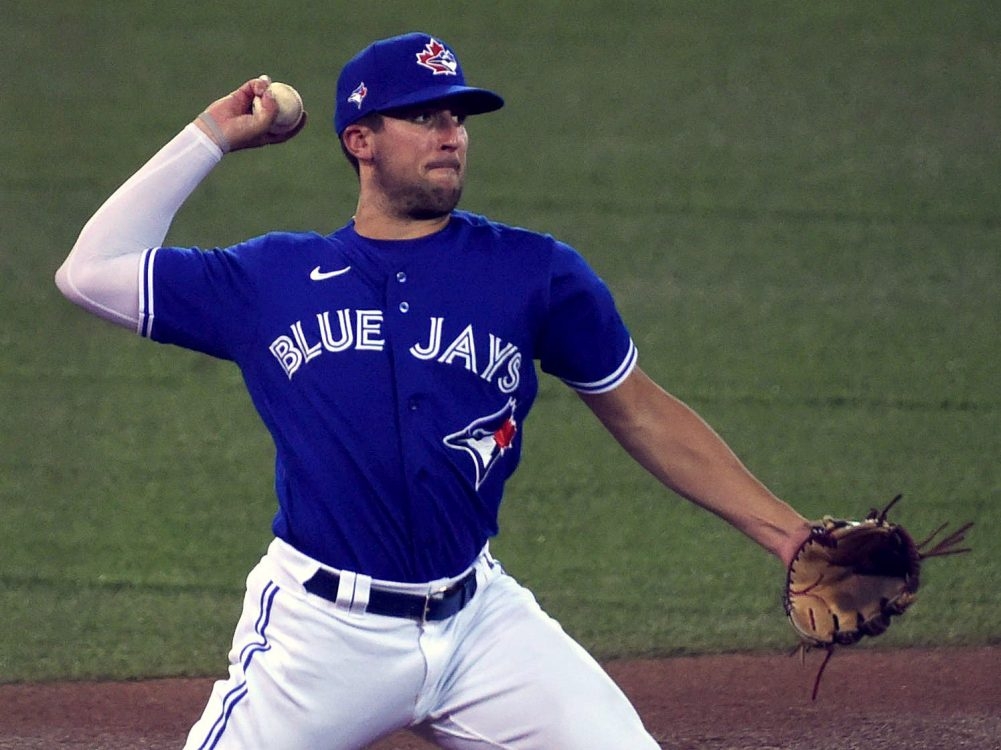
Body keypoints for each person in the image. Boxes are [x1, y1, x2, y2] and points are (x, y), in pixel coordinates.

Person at [56, 31, 812, 749]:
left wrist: (786, 535)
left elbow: (642, 412)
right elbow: (90, 272)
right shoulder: (270, 279)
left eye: (456, 115)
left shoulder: (534, 272)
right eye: (423, 116)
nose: (450, 133)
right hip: (320, 635)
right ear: (361, 140)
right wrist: (210, 136)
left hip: (479, 623)